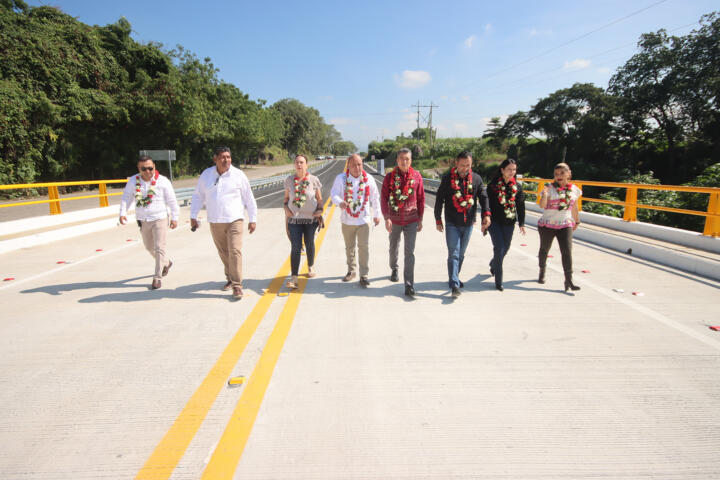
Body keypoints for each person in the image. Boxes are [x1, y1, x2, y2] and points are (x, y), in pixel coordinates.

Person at [190, 147, 257, 300]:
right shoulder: (207, 175)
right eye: (222, 157)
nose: (226, 160)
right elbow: (198, 196)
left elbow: (249, 198)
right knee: (224, 252)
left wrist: (253, 219)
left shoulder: (238, 175)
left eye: (228, 157)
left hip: (235, 219)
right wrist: (193, 215)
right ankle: (230, 277)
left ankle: (237, 285)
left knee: (235, 251)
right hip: (215, 220)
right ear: (215, 159)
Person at [434, 151, 491, 298]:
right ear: (456, 164)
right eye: (462, 165)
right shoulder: (447, 179)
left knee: (461, 253)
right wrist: (438, 219)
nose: (465, 168)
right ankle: (454, 285)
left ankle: (454, 277)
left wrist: (486, 214)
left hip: (469, 223)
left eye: (468, 165)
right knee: (453, 253)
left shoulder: (477, 179)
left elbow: (484, 198)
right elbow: (439, 199)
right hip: (452, 222)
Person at [119, 156, 179, 290]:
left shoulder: (163, 181)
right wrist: (122, 212)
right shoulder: (133, 181)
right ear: (138, 168)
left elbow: (172, 200)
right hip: (143, 219)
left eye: (150, 168)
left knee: (159, 248)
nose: (147, 171)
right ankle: (166, 263)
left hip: (160, 218)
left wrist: (175, 217)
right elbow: (126, 198)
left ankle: (157, 277)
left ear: (154, 167)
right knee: (149, 247)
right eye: (143, 169)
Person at [330, 153, 381, 286]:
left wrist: (377, 214)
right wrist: (340, 202)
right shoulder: (341, 179)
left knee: (364, 247)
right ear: (348, 165)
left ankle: (364, 274)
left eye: (359, 164)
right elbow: (334, 194)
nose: (357, 168)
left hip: (363, 220)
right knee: (349, 248)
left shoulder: (368, 178)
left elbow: (375, 197)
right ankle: (351, 271)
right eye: (353, 165)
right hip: (347, 221)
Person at [381, 148, 425, 297]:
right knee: (393, 247)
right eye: (401, 158)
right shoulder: (389, 178)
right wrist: (386, 217)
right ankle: (394, 268)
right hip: (394, 220)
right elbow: (384, 198)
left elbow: (421, 199)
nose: (404, 161)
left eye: (407, 158)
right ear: (397, 160)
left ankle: (409, 285)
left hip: (412, 220)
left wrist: (420, 219)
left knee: (409, 252)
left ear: (411, 160)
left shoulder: (417, 177)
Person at [537, 162, 582, 292]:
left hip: (565, 224)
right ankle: (542, 270)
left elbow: (574, 207)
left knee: (567, 251)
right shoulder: (549, 188)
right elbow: (542, 205)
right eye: (556, 174)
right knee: (544, 249)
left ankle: (569, 280)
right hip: (547, 224)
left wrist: (577, 221)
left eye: (562, 173)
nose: (559, 176)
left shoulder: (574, 190)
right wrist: (544, 195)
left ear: (569, 174)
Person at [283, 154, 323, 290]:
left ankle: (310, 265)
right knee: (295, 247)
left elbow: (319, 199)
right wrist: (285, 209)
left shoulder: (314, 180)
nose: (299, 165)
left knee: (310, 243)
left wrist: (320, 210)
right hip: (294, 220)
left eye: (302, 162)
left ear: (307, 165)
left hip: (311, 220)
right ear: (294, 165)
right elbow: (286, 199)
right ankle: (294, 277)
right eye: (297, 162)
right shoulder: (289, 180)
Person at [487, 159, 526, 291]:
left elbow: (520, 206)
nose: (512, 172)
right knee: (499, 247)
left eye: (514, 170)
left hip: (509, 222)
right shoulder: (493, 186)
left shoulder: (517, 187)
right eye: (509, 169)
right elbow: (486, 204)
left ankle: (494, 264)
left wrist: (522, 223)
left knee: (506, 248)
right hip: (494, 222)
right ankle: (499, 281)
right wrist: (485, 218)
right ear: (502, 170)